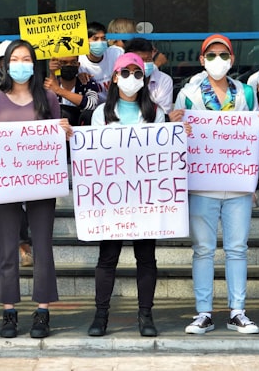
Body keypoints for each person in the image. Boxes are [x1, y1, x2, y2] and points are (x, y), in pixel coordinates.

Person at [0, 39, 71, 339]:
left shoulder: (47, 97)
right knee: (7, 247)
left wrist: (65, 132)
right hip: (6, 182)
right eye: (15, 59)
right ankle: (9, 311)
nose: (21, 64)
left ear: (34, 63)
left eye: (26, 58)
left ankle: (43, 311)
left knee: (42, 246)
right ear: (5, 65)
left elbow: (57, 137)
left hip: (41, 183)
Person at [170, 34, 259, 335]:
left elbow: (254, 136)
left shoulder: (245, 92)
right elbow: (177, 136)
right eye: (212, 55)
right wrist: (174, 124)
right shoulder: (188, 94)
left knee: (237, 249)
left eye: (224, 55)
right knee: (203, 250)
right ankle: (204, 312)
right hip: (202, 183)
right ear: (202, 59)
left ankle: (238, 311)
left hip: (237, 183)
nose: (218, 61)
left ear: (232, 59)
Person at [86, 52, 163, 337]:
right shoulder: (100, 113)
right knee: (107, 258)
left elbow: (162, 154)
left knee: (146, 258)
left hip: (145, 198)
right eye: (126, 72)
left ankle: (146, 315)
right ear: (115, 77)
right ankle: (101, 315)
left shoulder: (156, 113)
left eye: (138, 73)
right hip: (112, 200)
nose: (132, 78)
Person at [44, 55, 100, 126]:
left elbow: (92, 104)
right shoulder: (52, 85)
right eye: (64, 63)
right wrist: (52, 73)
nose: (69, 65)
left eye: (73, 63)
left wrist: (59, 90)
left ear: (78, 65)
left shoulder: (86, 82)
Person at [124, 37, 173, 115]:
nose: (145, 63)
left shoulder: (164, 80)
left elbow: (164, 111)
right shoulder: (122, 80)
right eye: (141, 60)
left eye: (149, 59)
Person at [78, 22, 117, 102]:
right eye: (95, 39)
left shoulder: (116, 53)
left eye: (103, 38)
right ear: (86, 41)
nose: (100, 42)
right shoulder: (78, 61)